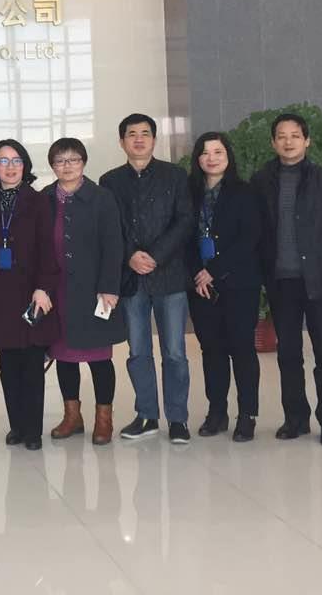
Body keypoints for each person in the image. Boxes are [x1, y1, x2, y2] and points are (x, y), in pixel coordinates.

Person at [252, 112, 322, 447]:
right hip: (281, 282)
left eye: (295, 136)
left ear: (307, 140)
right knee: (288, 355)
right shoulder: (261, 181)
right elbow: (255, 232)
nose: (288, 142)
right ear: (273, 142)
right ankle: (295, 419)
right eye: (281, 136)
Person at [100, 113, 194, 444]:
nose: (138, 139)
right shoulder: (110, 181)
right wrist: (130, 256)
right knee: (138, 351)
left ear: (154, 139)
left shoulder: (175, 175)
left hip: (169, 276)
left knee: (175, 352)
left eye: (145, 133)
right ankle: (147, 416)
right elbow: (110, 227)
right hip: (131, 279)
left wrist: (156, 255)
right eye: (131, 134)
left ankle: (178, 419)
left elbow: (185, 220)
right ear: (122, 141)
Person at [44, 138, 126, 445]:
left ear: (84, 162)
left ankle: (103, 420)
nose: (67, 166)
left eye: (73, 159)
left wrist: (109, 287)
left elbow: (113, 245)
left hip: (94, 291)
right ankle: (72, 417)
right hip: (58, 291)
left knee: (99, 358)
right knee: (64, 356)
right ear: (52, 166)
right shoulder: (45, 198)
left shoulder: (102, 198)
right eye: (60, 161)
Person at [0, 140, 57, 451]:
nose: (10, 167)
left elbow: (49, 249)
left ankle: (33, 430)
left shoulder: (39, 201)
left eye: (16, 161)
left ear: (25, 165)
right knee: (7, 365)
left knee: (32, 365)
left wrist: (44, 287)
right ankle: (17, 427)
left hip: (31, 291)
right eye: (3, 161)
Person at [186, 132, 263, 442]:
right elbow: (183, 237)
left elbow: (250, 238)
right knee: (211, 350)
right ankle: (217, 412)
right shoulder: (189, 193)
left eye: (218, 152)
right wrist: (198, 273)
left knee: (242, 349)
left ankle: (247, 415)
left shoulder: (245, 192)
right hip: (200, 287)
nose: (212, 158)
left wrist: (214, 271)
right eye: (205, 153)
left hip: (239, 284)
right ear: (198, 159)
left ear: (228, 156)